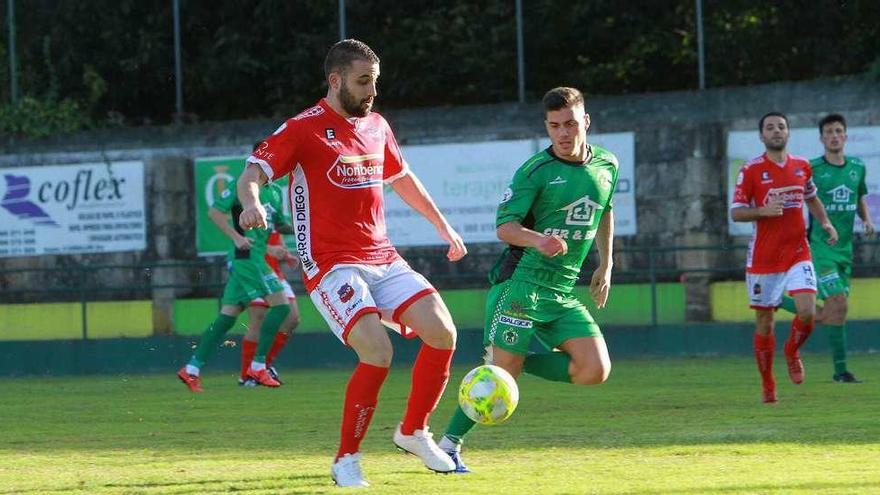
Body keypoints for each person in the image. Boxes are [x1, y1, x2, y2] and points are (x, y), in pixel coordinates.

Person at [236, 39, 467, 487]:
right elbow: (252, 176)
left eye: (375, 83)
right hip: (330, 265)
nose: (371, 92)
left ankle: (414, 431)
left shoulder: (377, 125)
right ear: (336, 80)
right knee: (377, 351)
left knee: (442, 332)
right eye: (363, 82)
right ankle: (346, 459)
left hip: (382, 256)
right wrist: (252, 203)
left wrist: (444, 227)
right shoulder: (302, 128)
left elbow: (402, 178)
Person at [437, 86, 616, 473]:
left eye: (570, 124)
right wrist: (540, 240)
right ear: (547, 127)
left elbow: (604, 210)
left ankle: (509, 361)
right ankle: (448, 444)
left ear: (586, 121)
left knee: (594, 369)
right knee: (500, 376)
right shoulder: (534, 172)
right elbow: (505, 227)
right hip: (520, 285)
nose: (564, 134)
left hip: (561, 292)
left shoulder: (607, 165)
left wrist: (606, 263)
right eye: (555, 126)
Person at [730, 112, 838, 404]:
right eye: (770, 127)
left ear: (788, 133)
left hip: (797, 251)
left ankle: (791, 351)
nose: (776, 131)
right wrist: (761, 211)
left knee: (808, 311)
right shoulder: (751, 170)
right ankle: (768, 383)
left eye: (781, 126)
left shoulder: (802, 166)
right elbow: (736, 212)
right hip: (764, 258)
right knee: (765, 322)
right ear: (761, 136)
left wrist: (825, 223)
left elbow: (811, 197)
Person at [777, 114, 875, 383]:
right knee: (838, 303)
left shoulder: (857, 166)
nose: (834, 135)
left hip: (845, 251)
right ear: (822, 138)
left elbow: (859, 196)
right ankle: (841, 372)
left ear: (845, 136)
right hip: (820, 249)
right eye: (829, 132)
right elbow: (798, 198)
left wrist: (866, 219)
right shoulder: (812, 169)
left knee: (834, 312)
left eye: (838, 131)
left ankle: (778, 301)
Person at [176, 178, 293, 392]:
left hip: (253, 256)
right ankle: (258, 367)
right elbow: (214, 213)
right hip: (247, 258)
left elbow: (280, 225)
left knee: (227, 317)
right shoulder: (243, 186)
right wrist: (237, 237)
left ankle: (191, 369)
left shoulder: (275, 191)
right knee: (282, 306)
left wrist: (308, 228)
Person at [237, 225, 301, 387]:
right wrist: (268, 248)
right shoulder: (243, 206)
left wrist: (284, 253)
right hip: (254, 268)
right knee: (257, 320)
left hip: (274, 271)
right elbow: (239, 239)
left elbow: (277, 231)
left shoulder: (273, 202)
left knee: (292, 318)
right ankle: (246, 375)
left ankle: (261, 368)